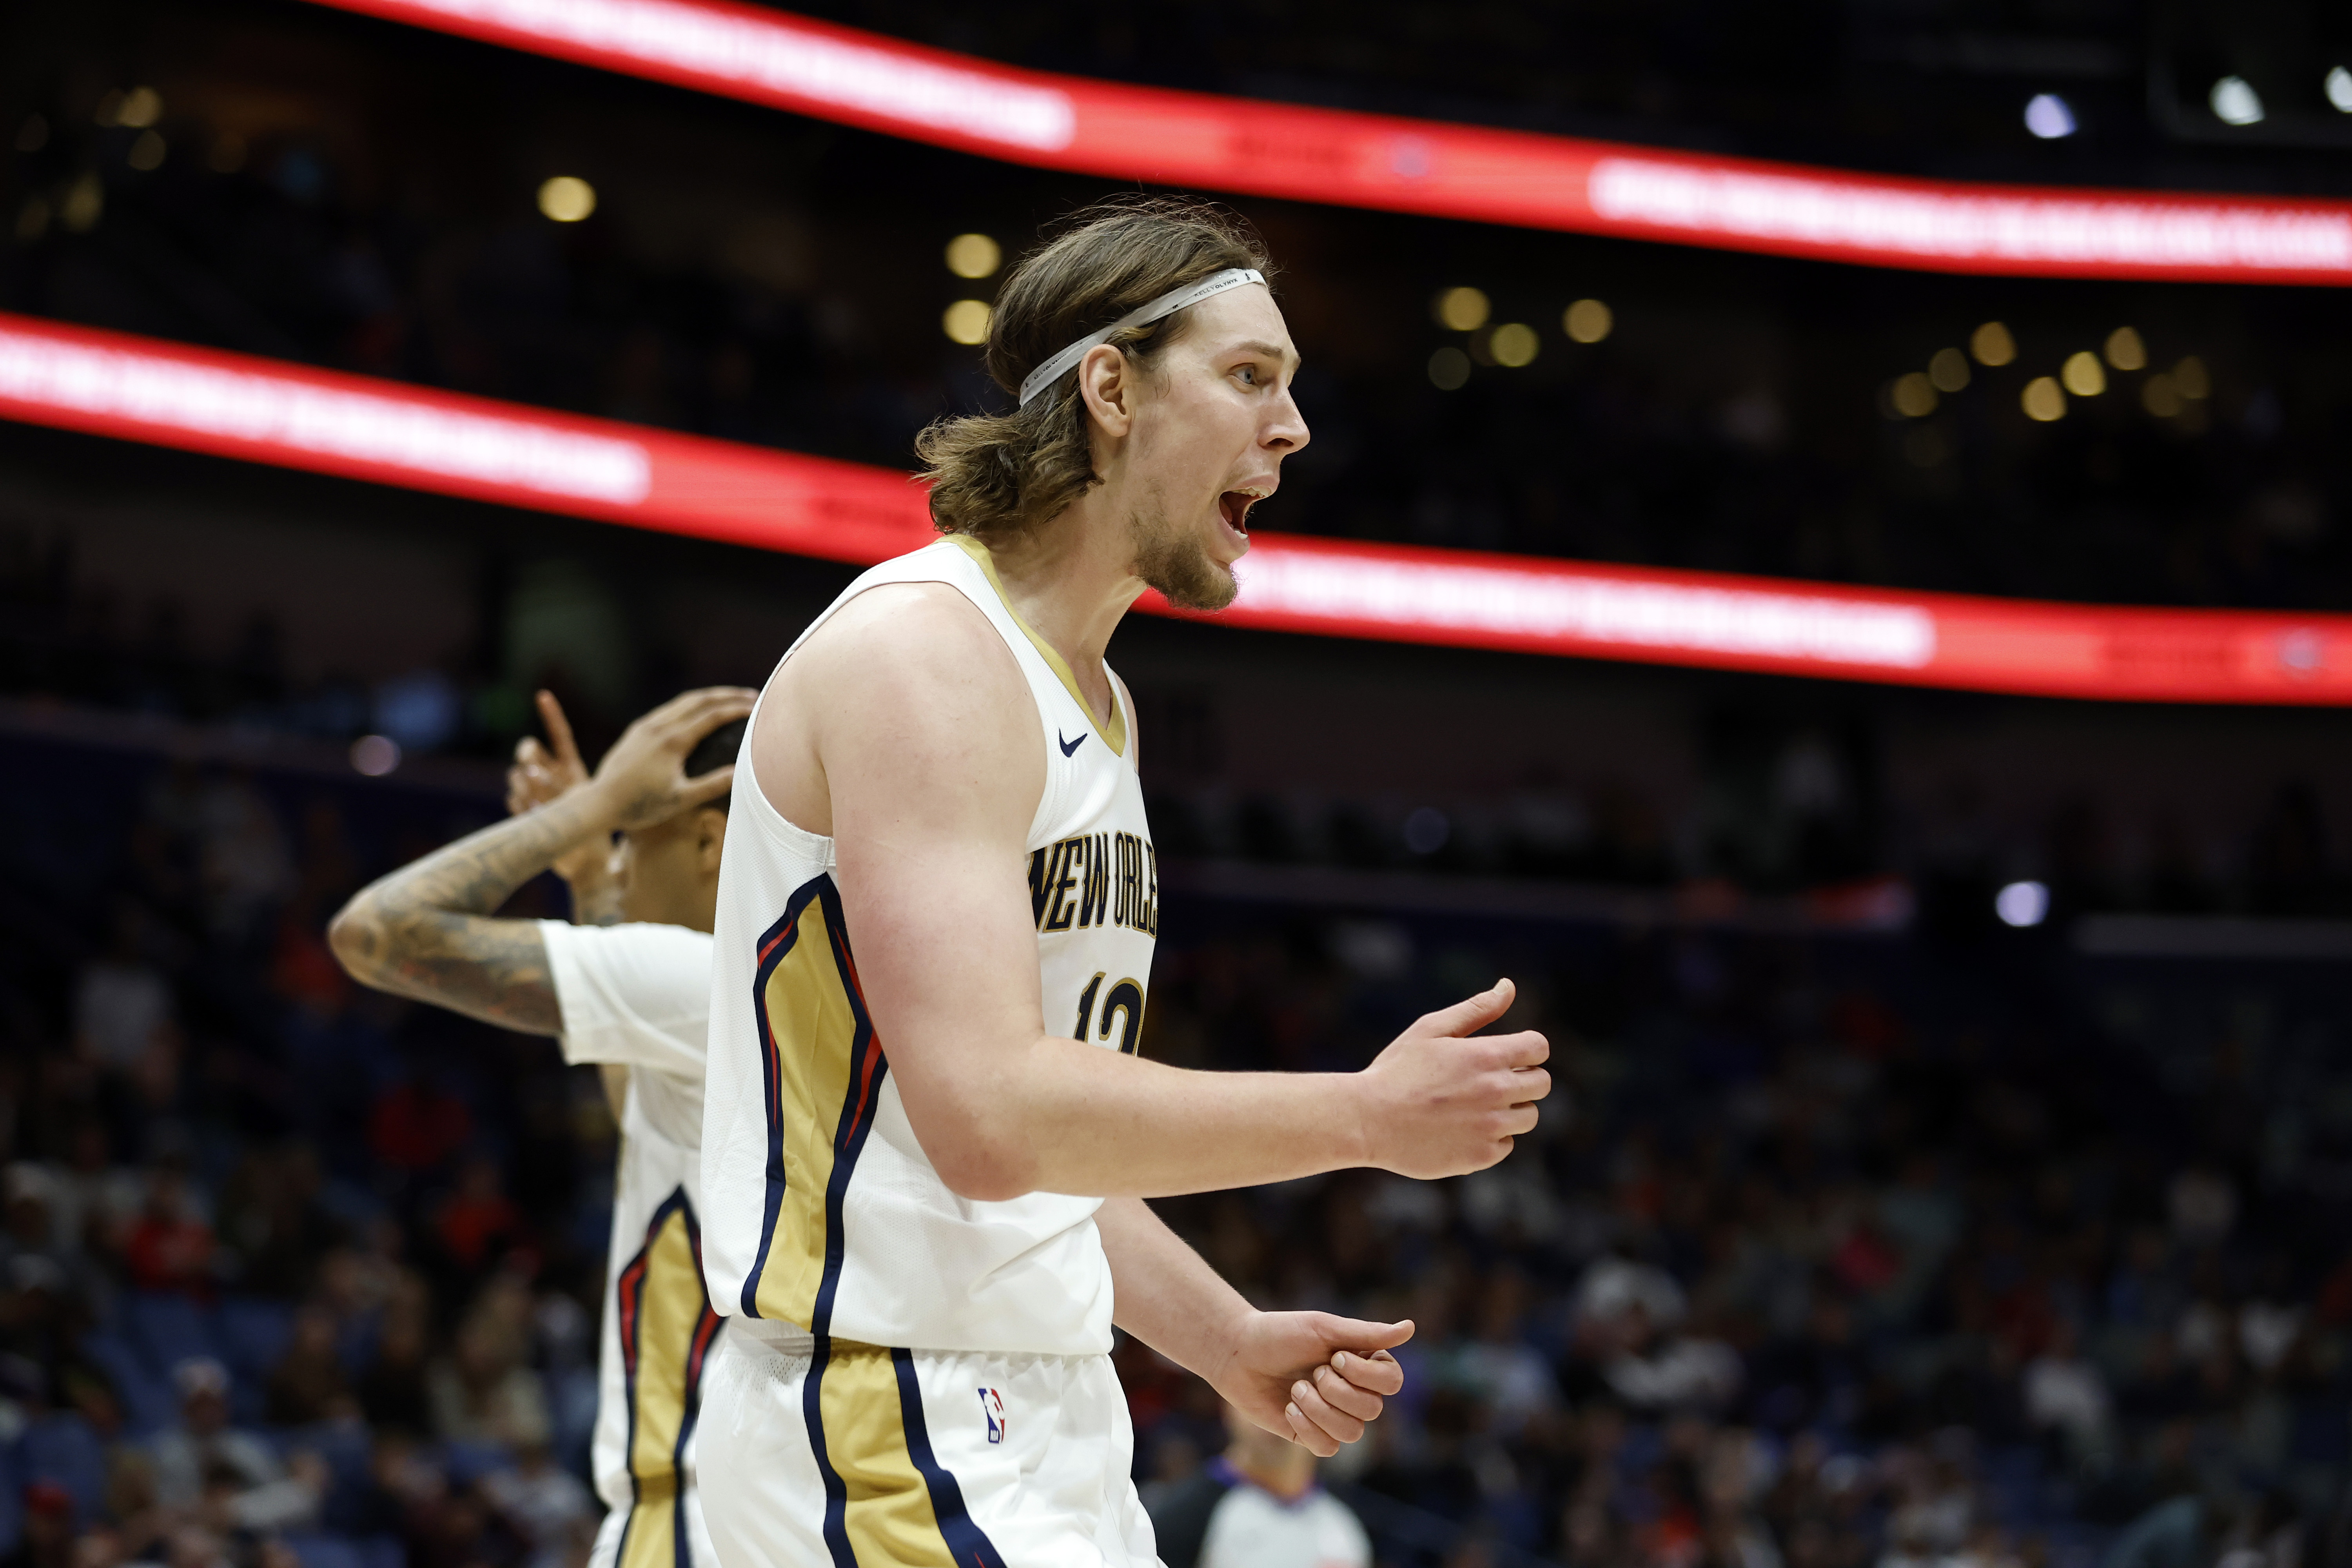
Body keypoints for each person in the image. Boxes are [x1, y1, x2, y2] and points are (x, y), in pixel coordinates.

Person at [698, 195, 1551, 1568]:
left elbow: (1048, 1146)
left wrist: (1224, 1341)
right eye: (1251, 378)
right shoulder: (926, 658)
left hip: (1045, 1406)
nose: (1294, 429)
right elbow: (987, 1116)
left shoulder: (1095, 696)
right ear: (1111, 388)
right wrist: (1361, 1116)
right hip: (880, 1409)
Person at [329, 685, 755, 1568]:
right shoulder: (774, 1002)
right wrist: (597, 870)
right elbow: (642, 1115)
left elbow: (374, 931)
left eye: (643, 834)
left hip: (695, 1527)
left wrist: (589, 808)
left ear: (713, 841)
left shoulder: (705, 980)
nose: (626, 861)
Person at [1147, 1403, 1371, 1568]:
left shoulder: (1345, 1526)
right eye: (1267, 1393)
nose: (1280, 1415)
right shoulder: (1181, 1517)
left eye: (1295, 1399)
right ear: (1227, 1404)